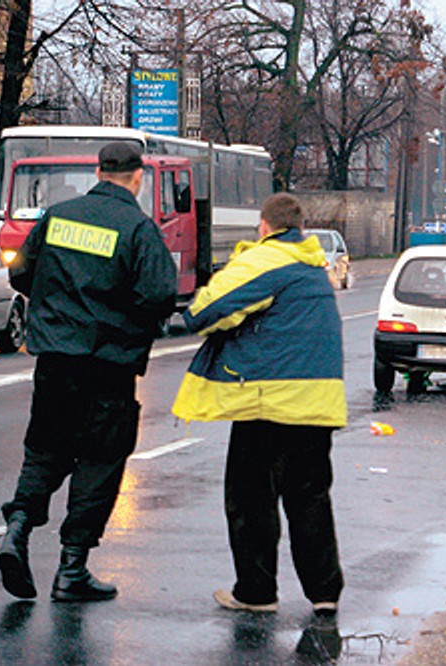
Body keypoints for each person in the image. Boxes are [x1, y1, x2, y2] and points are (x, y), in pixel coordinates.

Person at [0, 142, 176, 602]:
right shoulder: (139, 229)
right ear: (138, 177)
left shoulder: (57, 217)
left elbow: (21, 274)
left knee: (44, 449)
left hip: (55, 361)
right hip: (108, 366)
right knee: (99, 459)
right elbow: (158, 295)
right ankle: (71, 569)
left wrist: (58, 307)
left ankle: (17, 527)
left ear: (98, 171)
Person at [171, 193, 347, 625]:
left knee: (251, 498)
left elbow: (202, 312)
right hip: (317, 405)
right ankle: (325, 593)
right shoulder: (312, 268)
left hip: (267, 402)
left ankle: (256, 591)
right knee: (310, 498)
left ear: (265, 227)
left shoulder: (267, 259)